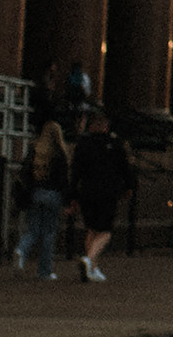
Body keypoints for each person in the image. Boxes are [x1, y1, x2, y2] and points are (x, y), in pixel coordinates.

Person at [68, 112, 134, 283]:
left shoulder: (83, 144)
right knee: (105, 232)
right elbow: (124, 168)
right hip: (107, 192)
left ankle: (93, 268)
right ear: (105, 126)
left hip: (87, 191)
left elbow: (75, 171)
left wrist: (72, 195)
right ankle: (89, 259)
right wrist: (129, 186)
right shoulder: (114, 144)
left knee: (92, 229)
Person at [13, 121, 71, 283]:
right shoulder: (59, 153)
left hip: (36, 193)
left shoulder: (35, 151)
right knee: (48, 234)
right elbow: (63, 181)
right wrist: (67, 202)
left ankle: (21, 249)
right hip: (53, 195)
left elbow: (25, 174)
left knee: (33, 229)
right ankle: (44, 271)